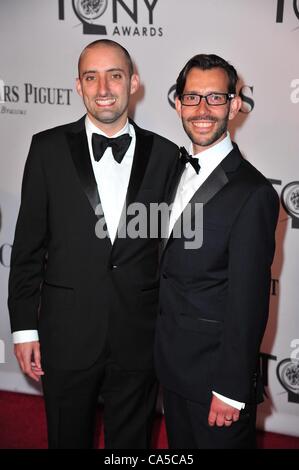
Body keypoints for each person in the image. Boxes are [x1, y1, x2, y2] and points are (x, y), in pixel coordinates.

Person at [8, 39, 179, 449]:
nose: (103, 87)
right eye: (91, 77)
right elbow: (27, 246)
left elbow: (176, 250)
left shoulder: (167, 154)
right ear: (79, 86)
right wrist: (23, 329)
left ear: (134, 82)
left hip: (138, 335)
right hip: (66, 334)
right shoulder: (46, 149)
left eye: (115, 75)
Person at [155, 54, 279, 449]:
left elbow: (249, 301)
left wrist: (231, 387)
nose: (203, 109)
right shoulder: (169, 170)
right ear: (178, 103)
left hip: (215, 383)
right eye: (192, 97)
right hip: (170, 369)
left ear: (234, 104)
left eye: (215, 97)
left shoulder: (254, 193)